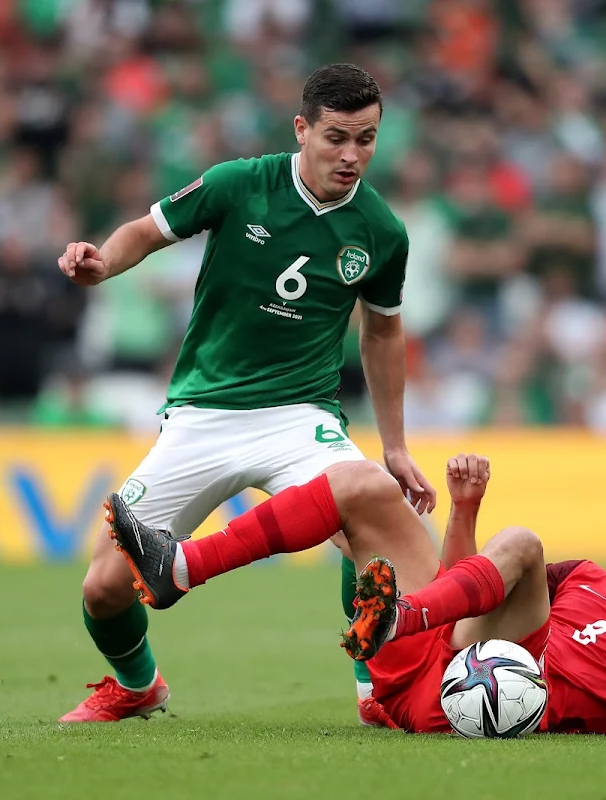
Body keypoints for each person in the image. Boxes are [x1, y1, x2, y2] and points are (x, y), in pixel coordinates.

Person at [55, 63, 437, 724]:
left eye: (367, 140)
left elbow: (381, 335)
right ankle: (137, 684)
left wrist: (395, 446)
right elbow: (146, 231)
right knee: (105, 587)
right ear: (302, 130)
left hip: (301, 418)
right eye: (337, 138)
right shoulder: (240, 184)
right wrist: (102, 263)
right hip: (203, 415)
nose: (352, 156)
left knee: (369, 527)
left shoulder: (382, 233)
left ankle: (372, 686)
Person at [104, 454, 606, 736]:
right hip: (438, 653)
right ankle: (182, 570)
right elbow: (471, 596)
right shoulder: (588, 577)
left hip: (481, 702)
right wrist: (463, 515)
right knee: (363, 483)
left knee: (522, 544)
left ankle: (394, 617)